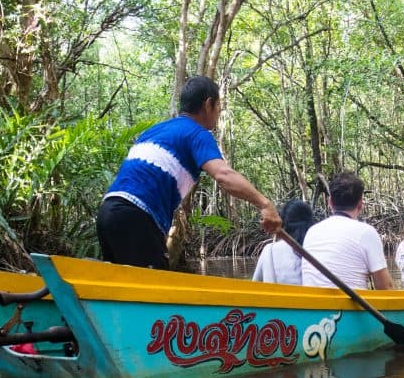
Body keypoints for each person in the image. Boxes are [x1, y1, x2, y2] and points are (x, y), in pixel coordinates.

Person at [97, 76, 281, 268]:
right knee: (155, 294)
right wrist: (265, 204)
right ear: (208, 104)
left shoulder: (153, 131)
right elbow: (223, 175)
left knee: (125, 291)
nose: (218, 113)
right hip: (135, 217)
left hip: (107, 213)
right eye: (218, 107)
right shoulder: (197, 133)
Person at [301, 173, 393, 290]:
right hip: (351, 307)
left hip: (313, 306)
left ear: (330, 202)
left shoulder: (311, 232)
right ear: (360, 205)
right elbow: (385, 287)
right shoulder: (366, 232)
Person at [252, 199, 314, 285]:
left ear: (283, 223)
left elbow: (255, 285)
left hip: (275, 298)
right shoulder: (318, 249)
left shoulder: (269, 250)